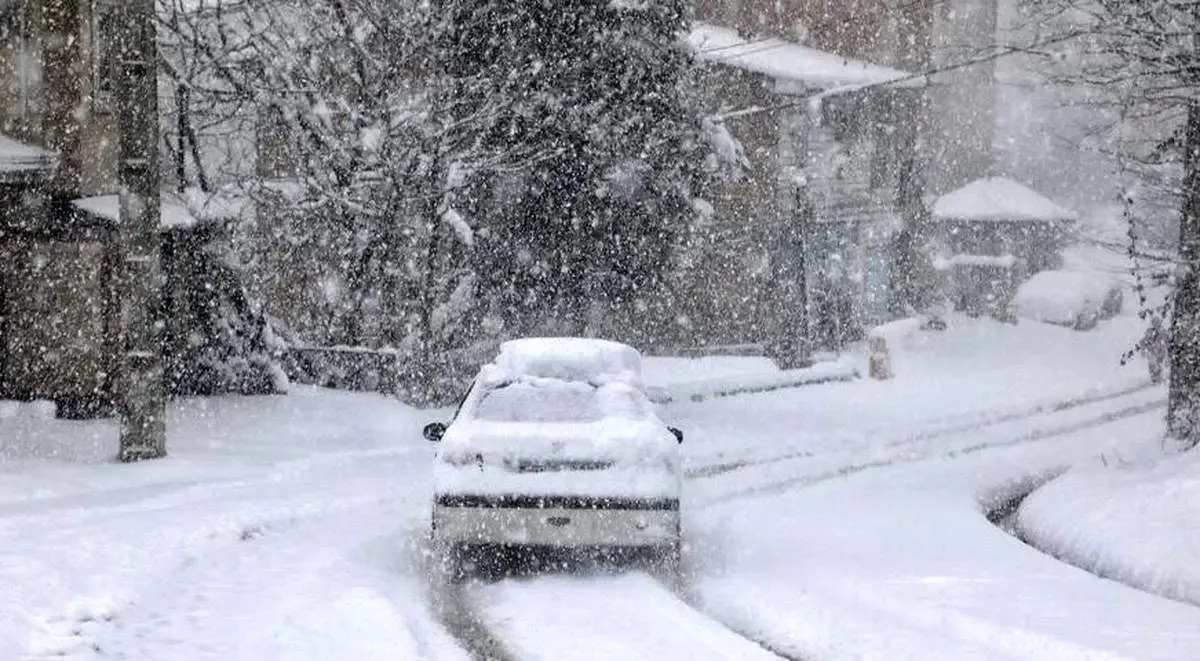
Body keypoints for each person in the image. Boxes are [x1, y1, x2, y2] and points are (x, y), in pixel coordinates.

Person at [1142, 314, 1168, 384]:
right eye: (1154, 322)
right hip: (1152, 351)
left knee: (1159, 364)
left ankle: (1158, 377)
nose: (1156, 324)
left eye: (1157, 322)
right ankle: (1153, 377)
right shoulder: (1149, 331)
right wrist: (1143, 349)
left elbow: (1167, 341)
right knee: (1152, 364)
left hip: (1160, 351)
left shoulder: (1163, 331)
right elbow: (1144, 340)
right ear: (1152, 323)